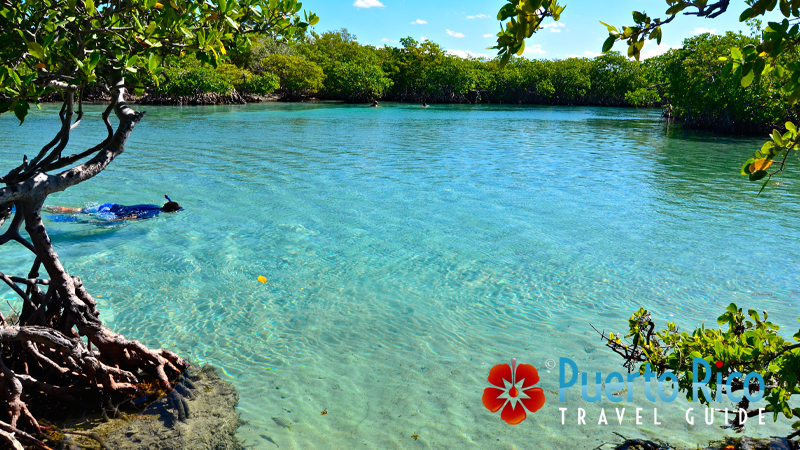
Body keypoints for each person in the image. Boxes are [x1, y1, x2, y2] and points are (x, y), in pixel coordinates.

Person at [45, 195, 182, 222]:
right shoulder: (154, 213)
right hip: (110, 214)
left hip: (110, 205)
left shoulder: (153, 205)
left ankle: (45, 207)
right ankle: (48, 219)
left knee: (76, 210)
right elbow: (131, 217)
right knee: (79, 220)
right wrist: (109, 221)